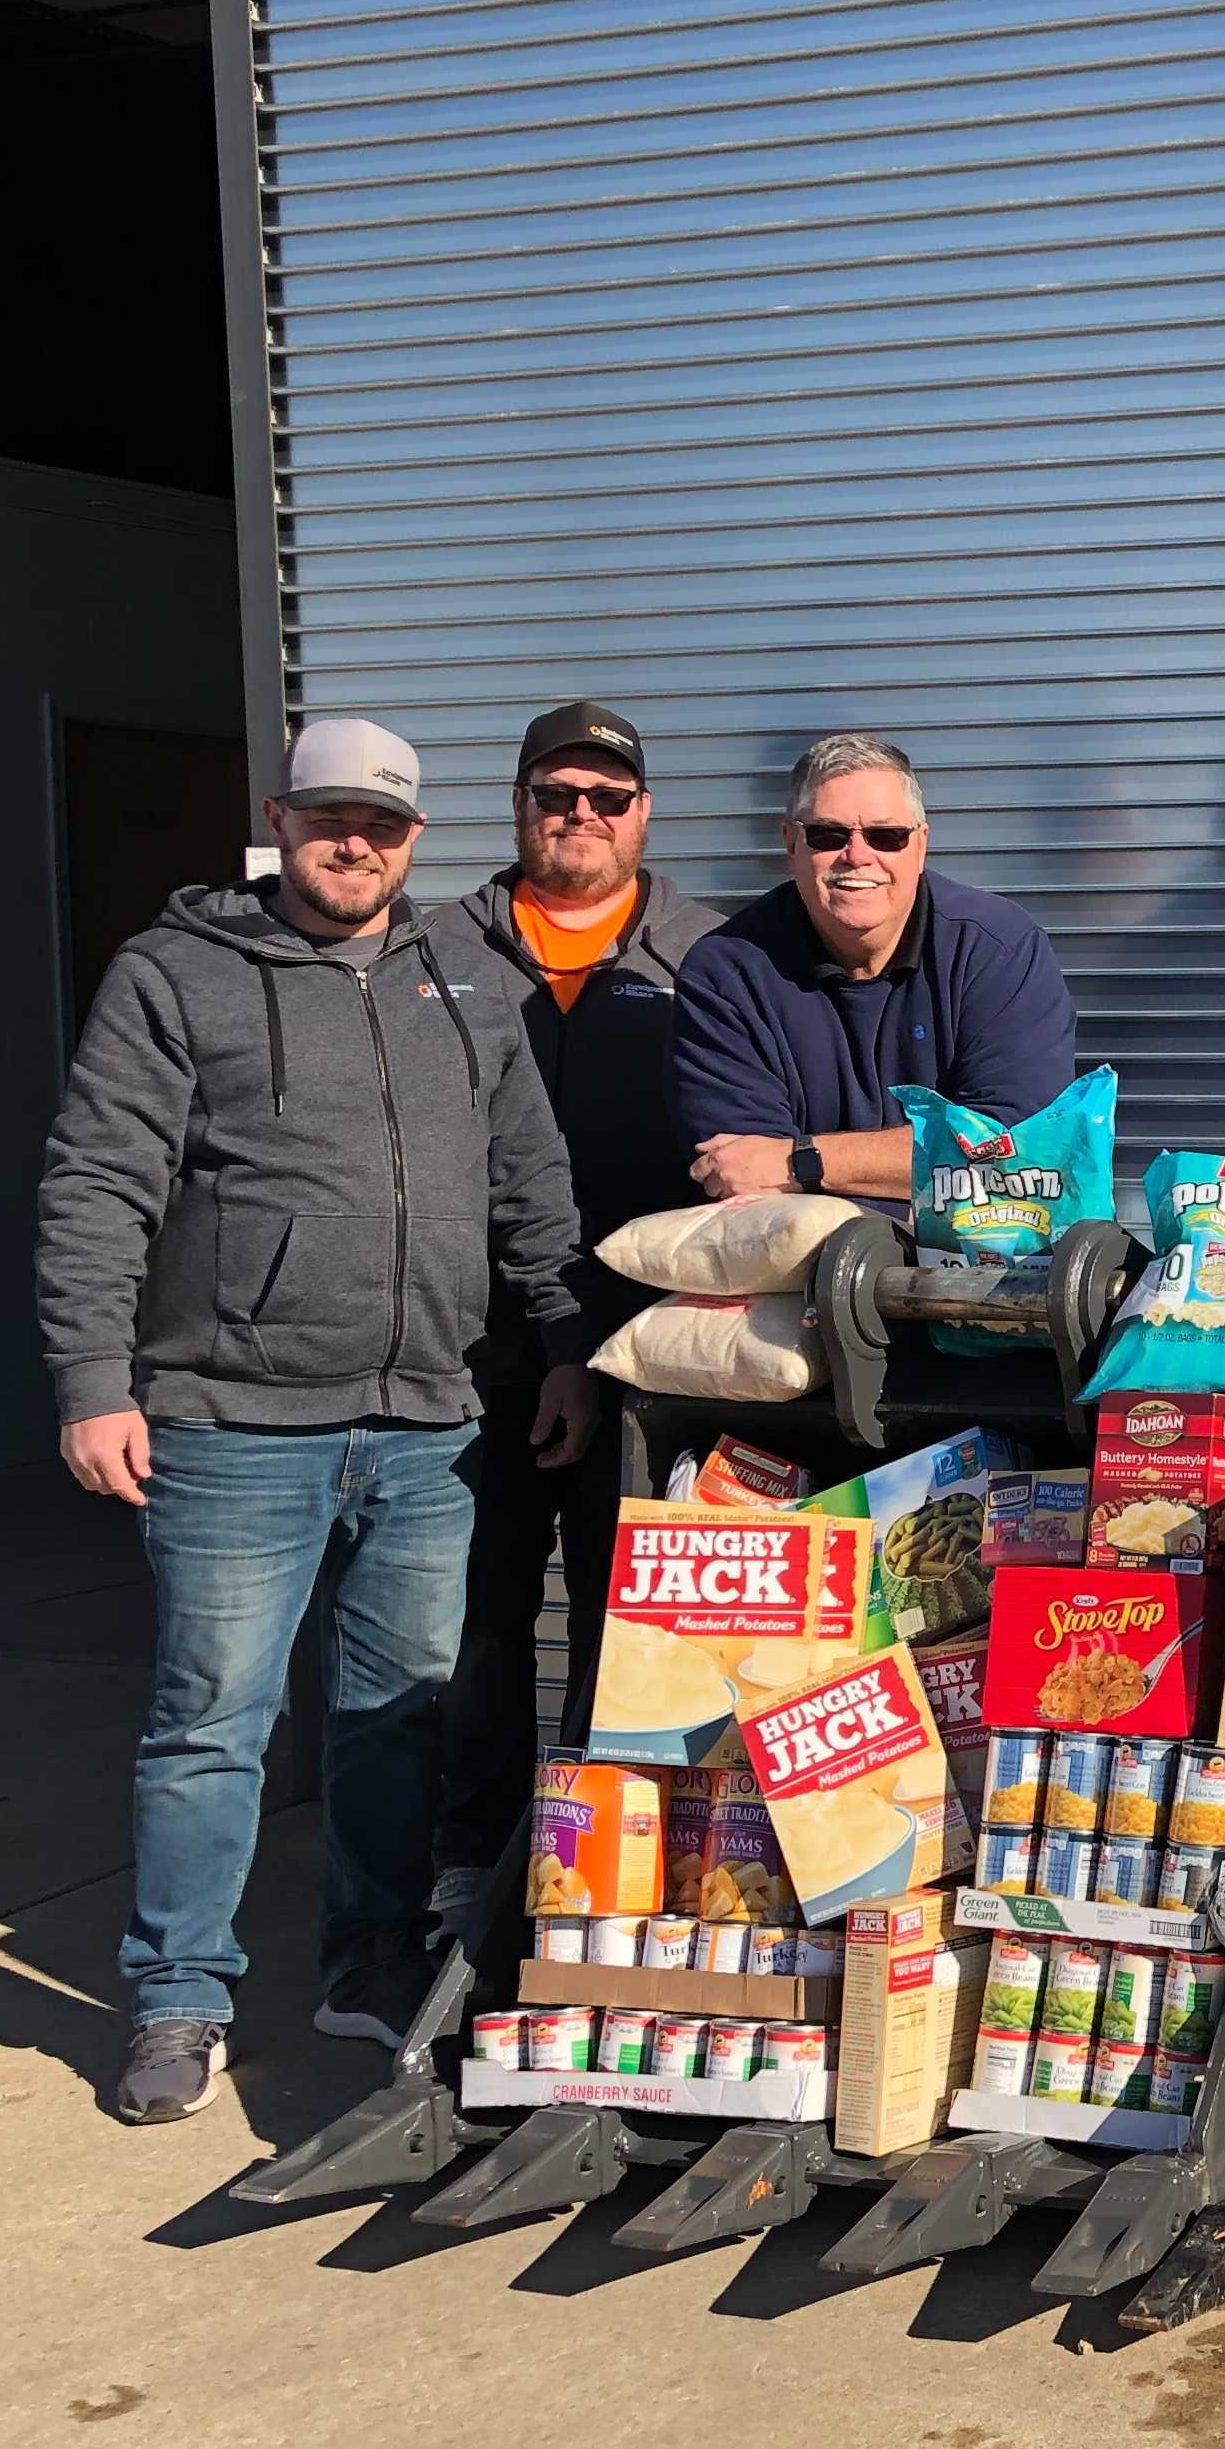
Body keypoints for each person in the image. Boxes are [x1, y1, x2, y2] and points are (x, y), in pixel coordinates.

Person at [37, 717, 594, 2125]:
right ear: (279, 818)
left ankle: (369, 1961)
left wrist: (566, 1347)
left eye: (385, 824)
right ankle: (178, 1996)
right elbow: (100, 1181)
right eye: (332, 816)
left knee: (398, 1718)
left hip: (428, 1424)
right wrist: (94, 1381)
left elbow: (530, 1181)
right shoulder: (176, 974)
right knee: (211, 1721)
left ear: (417, 839)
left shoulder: (467, 981)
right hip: (233, 1423)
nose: (358, 843)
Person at [415, 702, 722, 1933]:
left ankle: (594, 1867)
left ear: (645, 814)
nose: (580, 816)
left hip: (651, 1353)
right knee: (475, 1627)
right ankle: (467, 1863)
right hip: (471, 1349)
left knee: (625, 1622)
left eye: (608, 797)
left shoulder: (712, 954)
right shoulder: (433, 947)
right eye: (557, 794)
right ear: (518, 805)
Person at [669, 732, 1079, 1196]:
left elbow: (1022, 1147)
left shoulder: (997, 948)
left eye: (887, 836)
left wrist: (801, 1161)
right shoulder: (725, 973)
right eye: (828, 835)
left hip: (987, 1240)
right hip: (803, 1242)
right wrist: (929, 1166)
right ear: (790, 844)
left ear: (920, 845)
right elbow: (742, 1178)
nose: (858, 856)